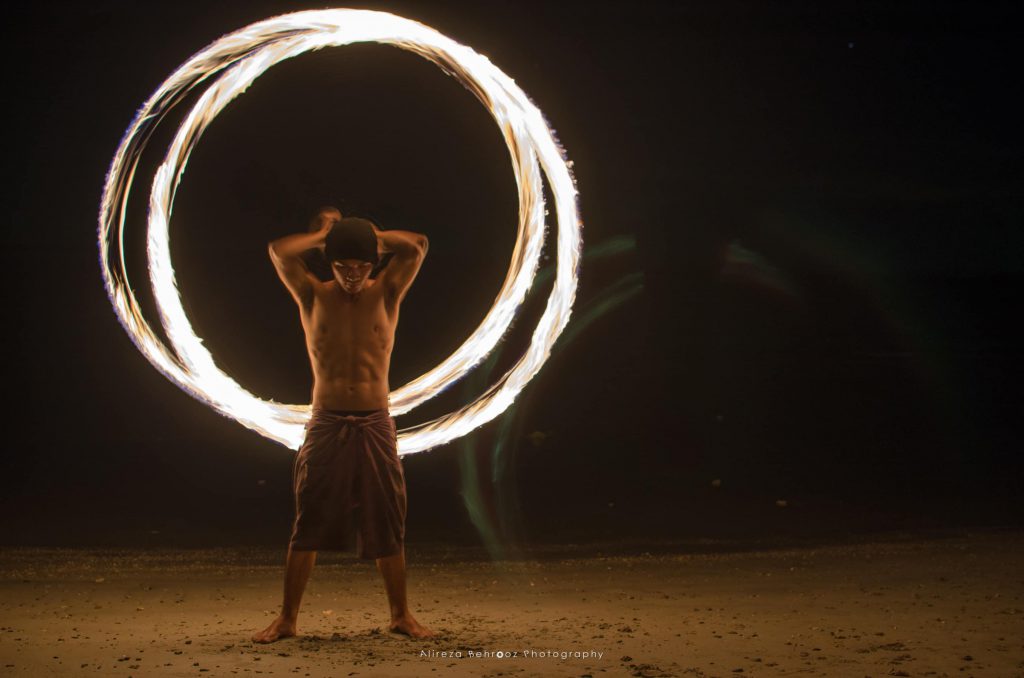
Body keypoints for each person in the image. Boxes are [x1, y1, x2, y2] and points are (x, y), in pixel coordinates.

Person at [253, 206, 435, 642]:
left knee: (388, 518)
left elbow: (418, 246)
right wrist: (322, 235)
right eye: (342, 266)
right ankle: (287, 620)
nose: (352, 275)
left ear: (374, 264)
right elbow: (278, 251)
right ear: (329, 264)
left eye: (360, 266)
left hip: (374, 421)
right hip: (326, 422)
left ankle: (401, 615)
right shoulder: (313, 296)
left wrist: (373, 234)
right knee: (309, 517)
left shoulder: (387, 293)